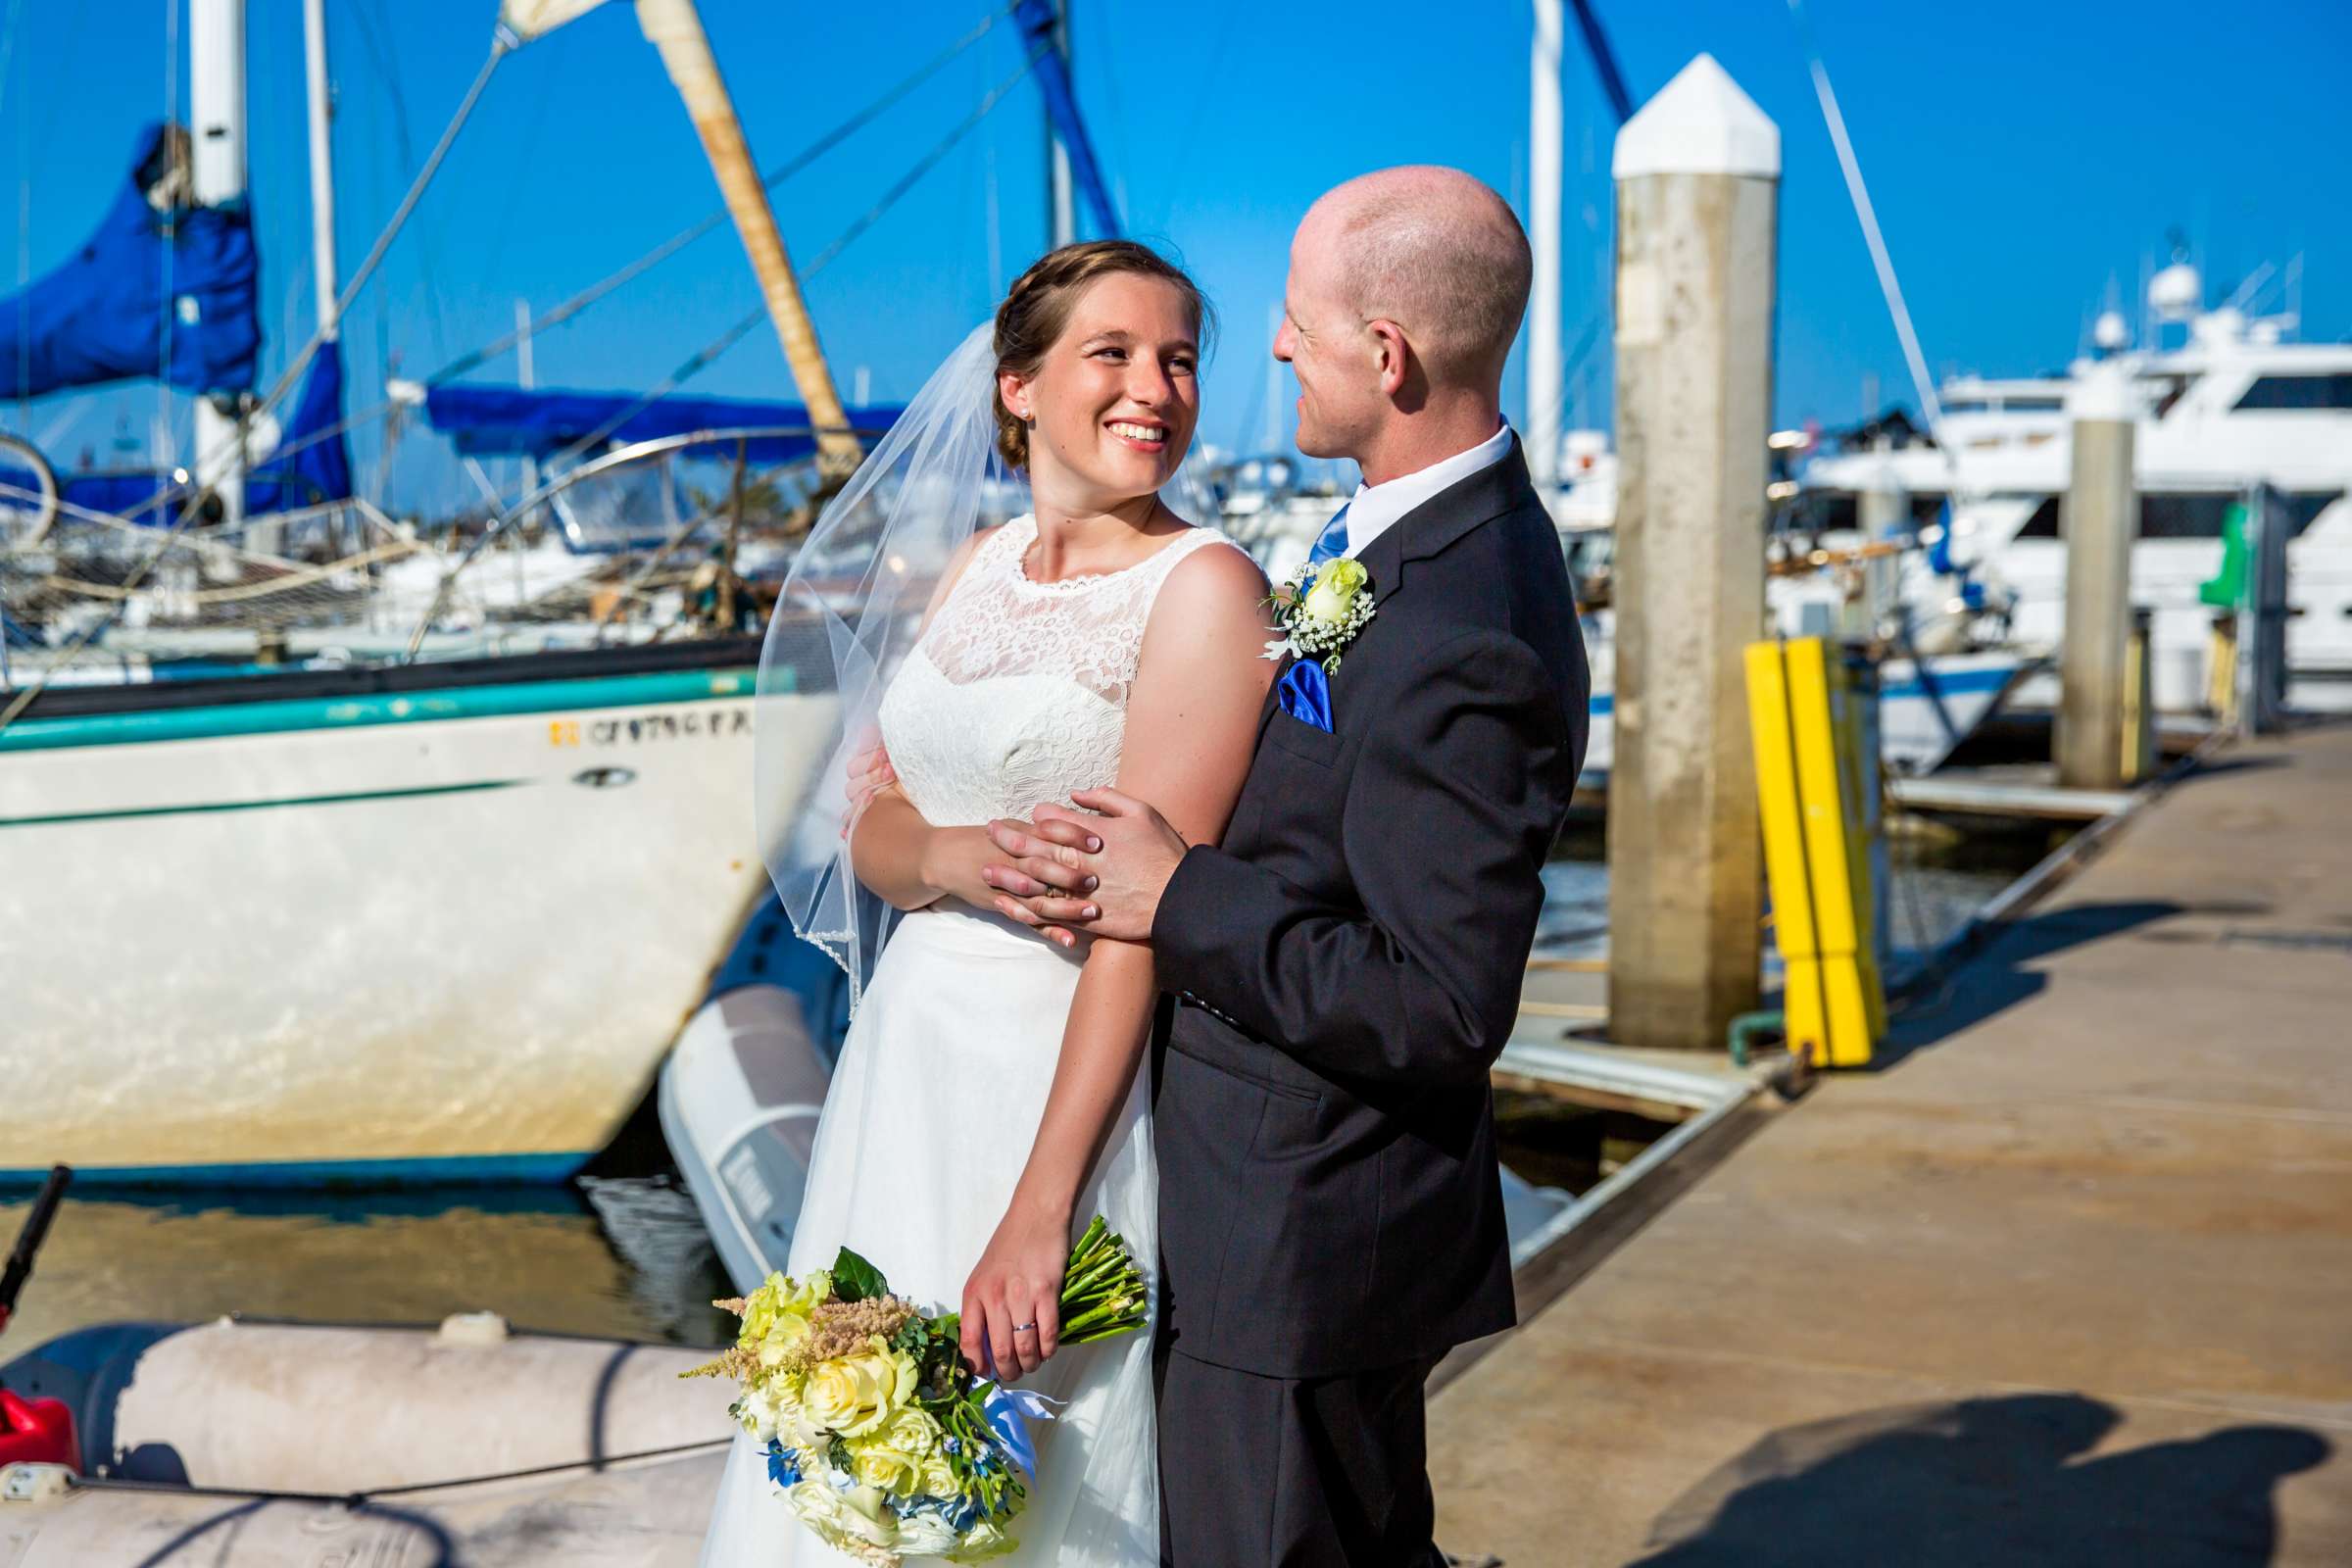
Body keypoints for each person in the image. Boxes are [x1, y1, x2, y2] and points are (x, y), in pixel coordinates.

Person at [981, 167, 1592, 1564]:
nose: (1269, 350)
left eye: (1297, 325)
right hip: (1266, 1212)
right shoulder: (1400, 541)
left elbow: (1440, 1008)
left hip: (1304, 1240)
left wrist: (1177, 892)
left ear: (1388, 357)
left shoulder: (1473, 618)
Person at [699, 241, 1273, 1566]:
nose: (1156, 389)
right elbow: (873, 827)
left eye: (1180, 359)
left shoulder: (1204, 588)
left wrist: (1042, 1209)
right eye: (1113, 355)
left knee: (1023, 1479)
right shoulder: (972, 568)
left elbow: (1140, 918)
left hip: (1056, 1072)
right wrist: (954, 859)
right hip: (904, 1069)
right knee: (851, 1452)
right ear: (1018, 387)